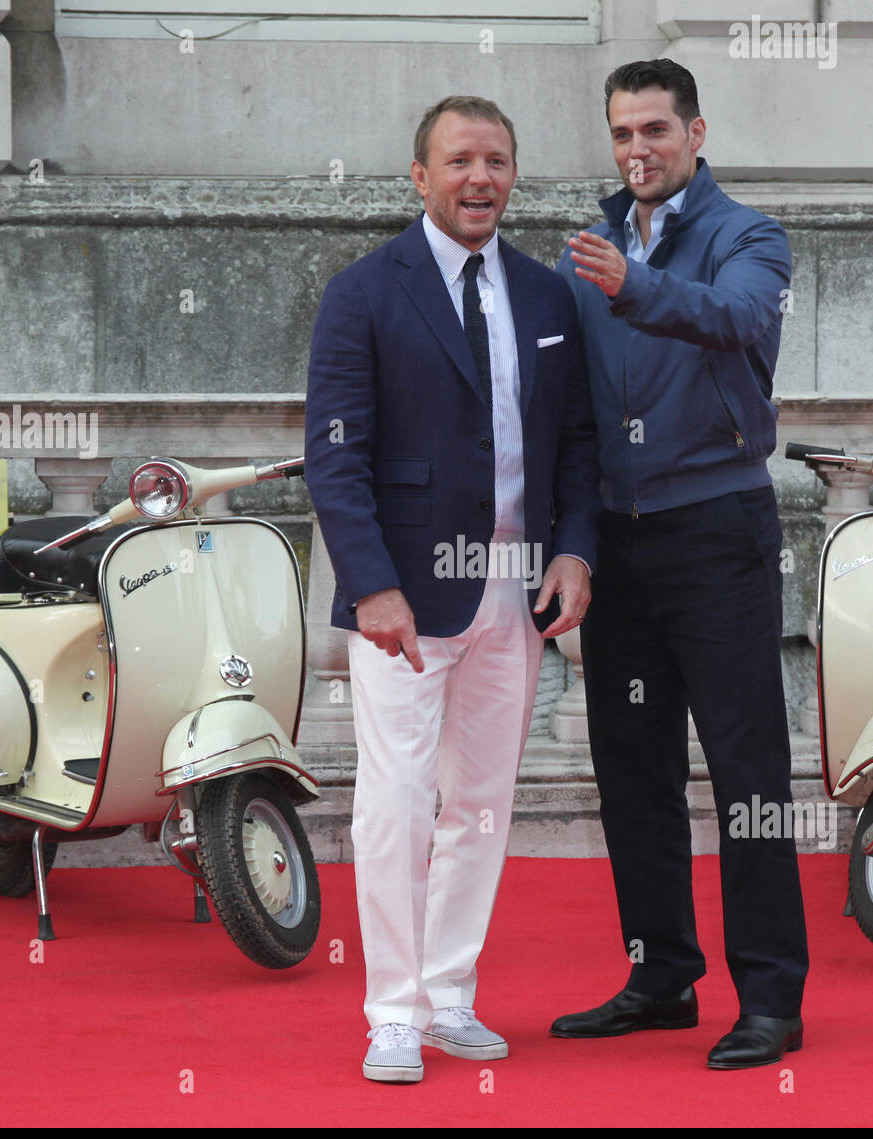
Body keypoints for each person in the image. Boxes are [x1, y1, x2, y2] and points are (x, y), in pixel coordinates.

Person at [304, 96, 600, 1084]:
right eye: (461, 160)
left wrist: (574, 552)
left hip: (514, 593)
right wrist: (371, 585)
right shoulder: (362, 293)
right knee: (393, 800)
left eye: (498, 160)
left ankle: (448, 994)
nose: (482, 177)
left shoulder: (548, 296)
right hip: (404, 602)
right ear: (420, 177)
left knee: (480, 802)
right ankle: (390, 1011)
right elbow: (335, 459)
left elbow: (574, 444)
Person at [548, 59, 809, 1069]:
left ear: (696, 133)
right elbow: (568, 406)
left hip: (718, 532)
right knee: (631, 771)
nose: (636, 150)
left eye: (654, 130)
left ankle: (772, 998)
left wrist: (638, 283)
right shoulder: (591, 243)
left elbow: (739, 318)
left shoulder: (747, 235)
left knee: (747, 773)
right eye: (620, 133)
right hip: (620, 540)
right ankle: (660, 976)